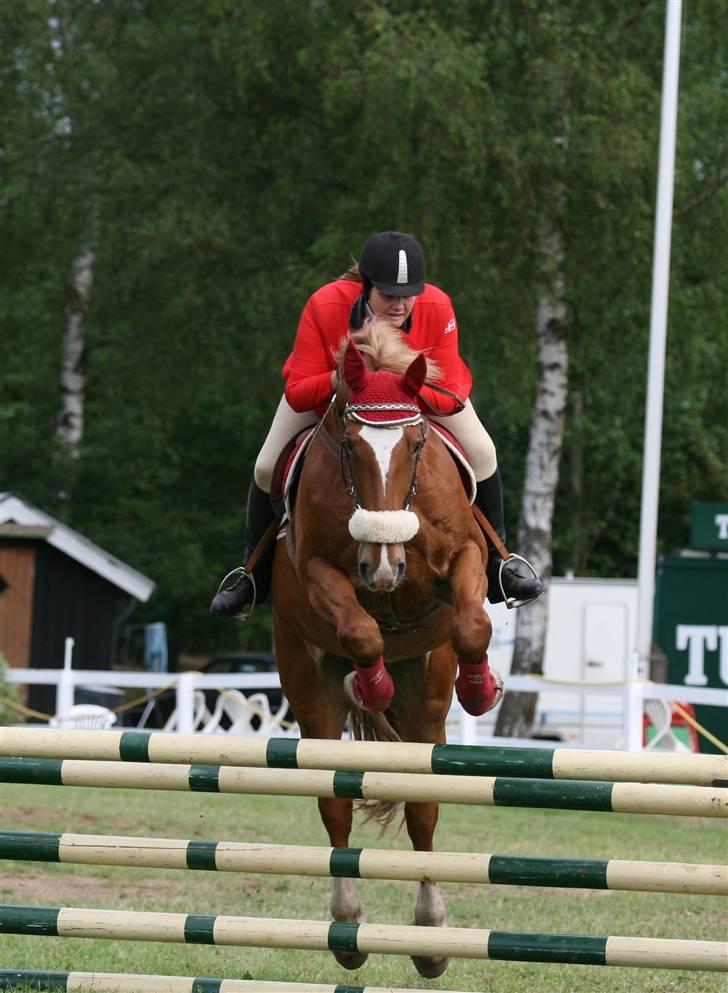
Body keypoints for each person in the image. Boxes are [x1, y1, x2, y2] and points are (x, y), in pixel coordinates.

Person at [211, 231, 543, 621]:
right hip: (336, 399)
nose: (400, 306)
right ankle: (252, 575)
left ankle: (500, 564)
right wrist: (342, 381)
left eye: (408, 294)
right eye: (389, 295)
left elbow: (453, 389)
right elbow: (300, 390)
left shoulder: (438, 305)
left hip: (416, 398)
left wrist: (400, 388)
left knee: (484, 451)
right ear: (365, 287)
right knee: (266, 466)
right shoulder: (325, 304)